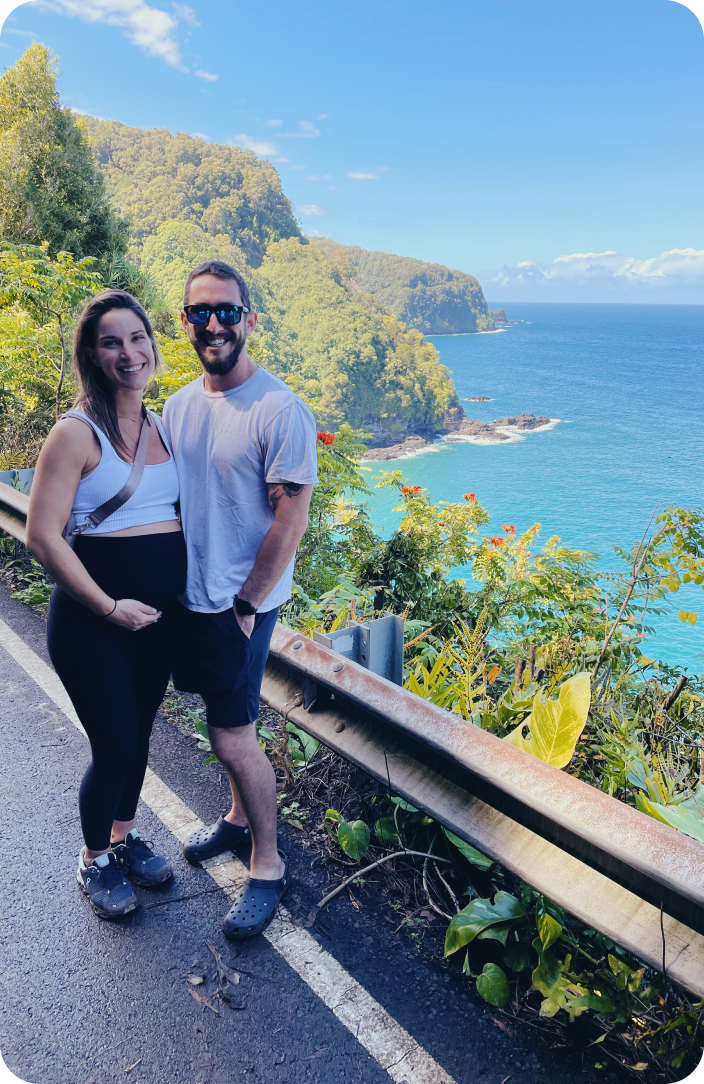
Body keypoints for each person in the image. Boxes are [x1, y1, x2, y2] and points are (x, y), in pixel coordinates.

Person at [163, 260, 317, 939]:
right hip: (192, 600)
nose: (215, 324)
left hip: (237, 605)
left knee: (233, 736)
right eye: (201, 312)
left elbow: (291, 519)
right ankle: (232, 820)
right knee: (222, 729)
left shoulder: (279, 409)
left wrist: (248, 603)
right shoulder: (177, 406)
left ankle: (267, 864)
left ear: (249, 319)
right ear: (186, 323)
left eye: (227, 311)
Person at [26, 290, 187, 920]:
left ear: (152, 344)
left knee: (140, 733)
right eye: (112, 342)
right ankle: (94, 859)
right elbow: (43, 536)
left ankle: (121, 837)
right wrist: (106, 605)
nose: (129, 352)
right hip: (94, 620)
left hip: (157, 619)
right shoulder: (75, 434)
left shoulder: (165, 425)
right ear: (92, 356)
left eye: (138, 337)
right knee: (115, 741)